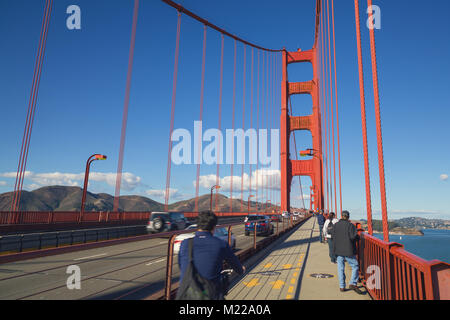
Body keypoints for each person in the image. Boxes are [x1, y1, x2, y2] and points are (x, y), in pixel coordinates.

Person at [178, 211, 246, 299]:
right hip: (210, 294)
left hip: (187, 293)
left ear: (197, 225)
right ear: (214, 227)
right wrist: (241, 270)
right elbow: (235, 263)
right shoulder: (221, 244)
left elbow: (181, 265)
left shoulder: (185, 243)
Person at [331, 210, 363, 294]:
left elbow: (332, 236)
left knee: (340, 268)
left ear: (341, 216)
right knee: (355, 266)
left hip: (338, 250)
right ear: (348, 217)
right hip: (348, 250)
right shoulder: (350, 226)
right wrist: (357, 237)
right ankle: (352, 283)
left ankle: (342, 286)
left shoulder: (336, 225)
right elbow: (353, 237)